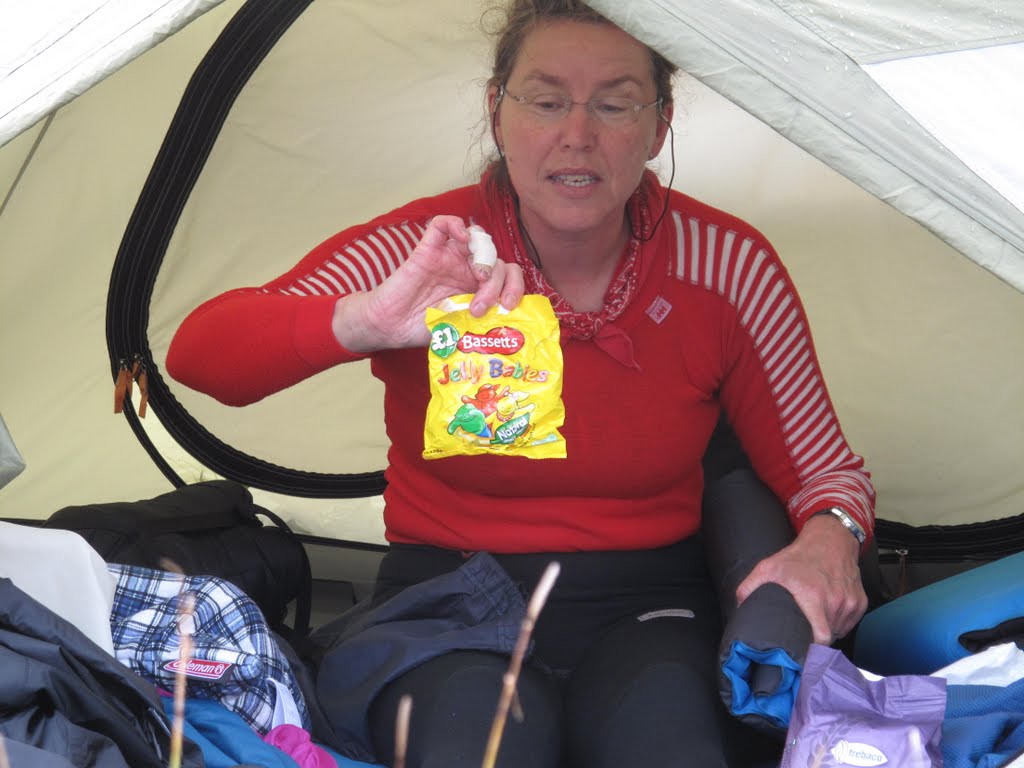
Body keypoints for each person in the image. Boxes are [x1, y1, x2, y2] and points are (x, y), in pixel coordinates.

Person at [167, 1, 876, 765]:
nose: (578, 134)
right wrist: (367, 320)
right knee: (479, 747)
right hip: (448, 601)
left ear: (659, 127)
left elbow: (826, 473)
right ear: (496, 113)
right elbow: (200, 356)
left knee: (671, 743)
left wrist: (827, 541)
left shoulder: (725, 265)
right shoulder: (428, 252)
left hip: (650, 606)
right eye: (545, 101)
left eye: (615, 105)